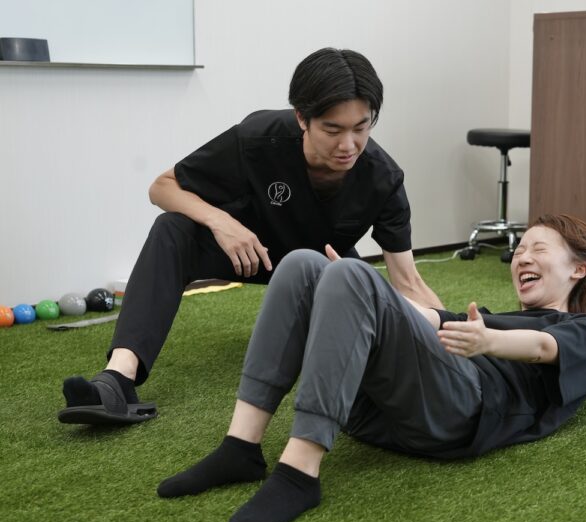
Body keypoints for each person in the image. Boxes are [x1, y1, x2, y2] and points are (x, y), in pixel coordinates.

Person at [156, 213, 586, 522]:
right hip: (380, 415)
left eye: (538, 249)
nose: (522, 257)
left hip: (459, 415)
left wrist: (488, 341)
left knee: (352, 275)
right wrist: (344, 285)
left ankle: (299, 473)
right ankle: (240, 446)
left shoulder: (585, 331)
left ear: (578, 268)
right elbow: (423, 319)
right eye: (519, 249)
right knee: (304, 265)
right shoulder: (491, 316)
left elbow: (541, 348)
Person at [57, 48, 443, 426]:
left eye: (361, 128)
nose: (348, 145)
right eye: (332, 129)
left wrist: (452, 338)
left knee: (366, 295)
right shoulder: (259, 139)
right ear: (302, 118)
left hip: (322, 273)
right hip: (250, 253)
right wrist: (221, 221)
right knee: (172, 228)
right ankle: (117, 379)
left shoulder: (382, 178)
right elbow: (162, 187)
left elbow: (407, 281)